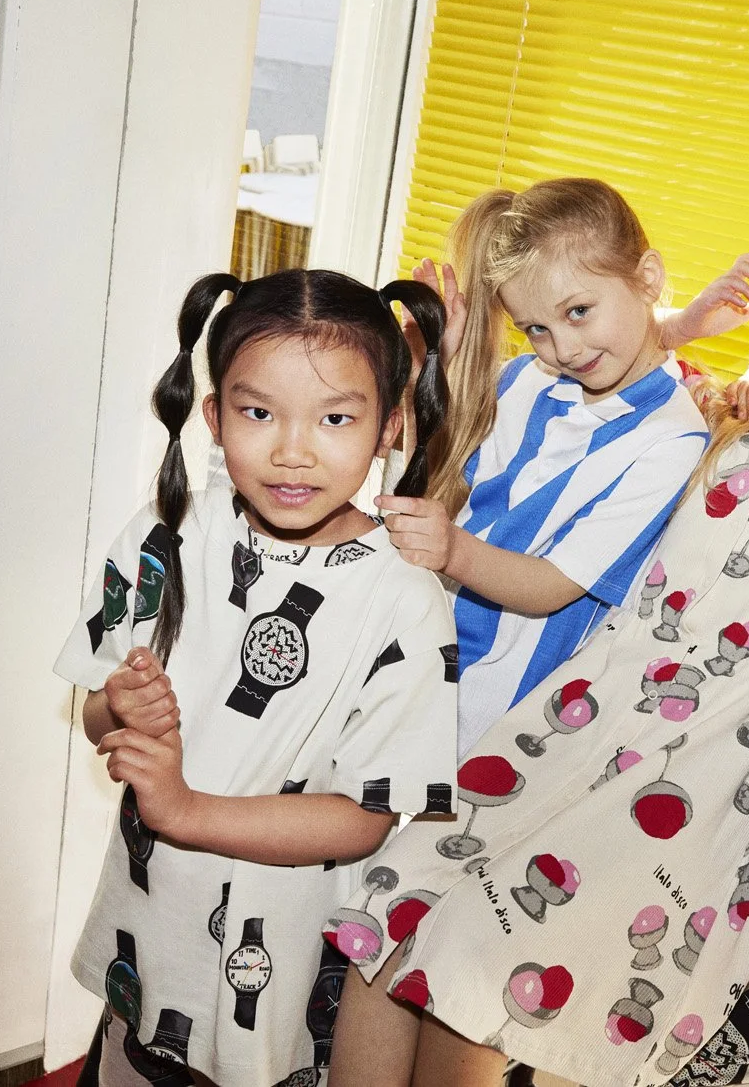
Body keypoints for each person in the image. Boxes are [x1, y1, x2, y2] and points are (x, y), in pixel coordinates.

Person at [330, 218, 749, 1087]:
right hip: (574, 732)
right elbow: (609, 350)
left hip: (694, 786)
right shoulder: (712, 425)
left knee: (485, 990)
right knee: (392, 924)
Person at [55, 268, 461, 1087]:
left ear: (389, 427)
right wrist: (117, 711)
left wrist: (186, 808)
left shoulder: (406, 600)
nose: (292, 450)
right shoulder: (170, 535)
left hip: (274, 966)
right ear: (213, 416)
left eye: (336, 417)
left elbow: (362, 820)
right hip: (151, 930)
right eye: (258, 412)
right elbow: (100, 719)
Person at [378, 177, 749, 753]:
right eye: (536, 328)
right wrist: (425, 380)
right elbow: (430, 495)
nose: (563, 348)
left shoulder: (671, 439)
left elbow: (552, 587)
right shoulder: (525, 380)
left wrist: (452, 551)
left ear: (649, 279)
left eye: (579, 311)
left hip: (493, 710)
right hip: (411, 661)